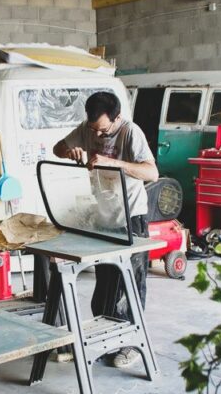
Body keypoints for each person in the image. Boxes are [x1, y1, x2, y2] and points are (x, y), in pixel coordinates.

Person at [52, 91, 158, 368]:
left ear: (117, 118)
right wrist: (69, 151)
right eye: (92, 129)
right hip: (103, 216)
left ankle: (133, 344)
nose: (97, 136)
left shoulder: (130, 132)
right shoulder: (88, 129)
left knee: (130, 283)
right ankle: (104, 339)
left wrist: (116, 163)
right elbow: (57, 149)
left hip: (131, 216)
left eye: (102, 130)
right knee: (106, 280)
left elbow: (151, 173)